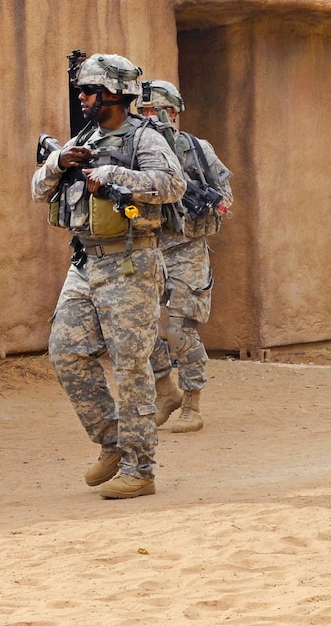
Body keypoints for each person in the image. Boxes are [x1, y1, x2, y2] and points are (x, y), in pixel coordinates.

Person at [32, 53, 186, 499]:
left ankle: (141, 469)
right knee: (65, 352)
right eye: (81, 90)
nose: (82, 98)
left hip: (130, 263)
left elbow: (172, 184)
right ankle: (113, 442)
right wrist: (59, 162)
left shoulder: (145, 138)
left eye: (89, 90)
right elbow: (37, 189)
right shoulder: (82, 137)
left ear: (116, 94)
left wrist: (114, 173)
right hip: (85, 263)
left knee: (131, 368)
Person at [138, 80, 233, 433]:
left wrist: (206, 207)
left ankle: (192, 402)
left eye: (158, 111)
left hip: (187, 250)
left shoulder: (196, 148)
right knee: (140, 328)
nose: (151, 118)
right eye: (144, 112)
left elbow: (225, 193)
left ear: (174, 113)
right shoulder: (136, 148)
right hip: (148, 248)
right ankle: (166, 392)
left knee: (180, 329)